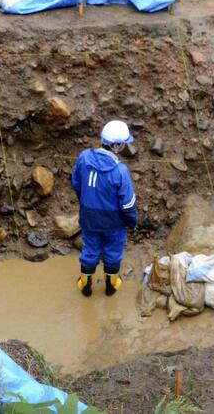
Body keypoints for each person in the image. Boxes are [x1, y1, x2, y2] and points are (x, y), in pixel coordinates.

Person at [71, 120, 138, 297]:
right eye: (123, 144)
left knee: (90, 249)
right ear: (116, 145)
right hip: (113, 222)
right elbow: (128, 203)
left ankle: (85, 285)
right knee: (113, 251)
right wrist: (132, 221)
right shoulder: (120, 170)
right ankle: (111, 285)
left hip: (89, 218)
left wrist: (84, 202)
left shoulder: (84, 157)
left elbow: (76, 183)